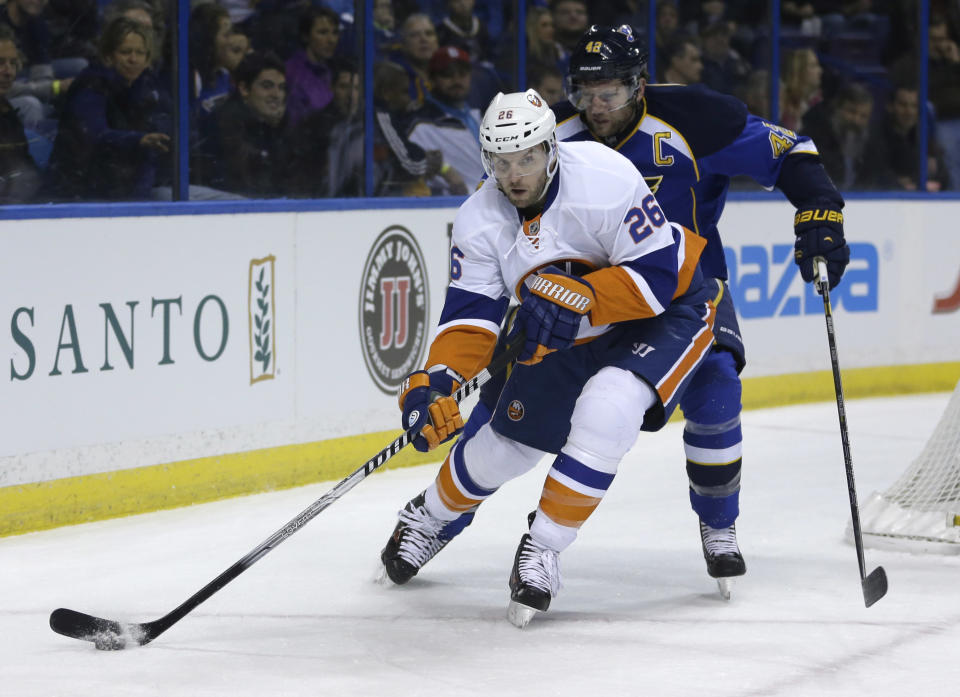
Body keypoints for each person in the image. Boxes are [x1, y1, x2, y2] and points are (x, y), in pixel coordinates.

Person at [460, 24, 850, 598]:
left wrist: (819, 207)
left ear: (638, 85)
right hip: (577, 299)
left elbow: (789, 149)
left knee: (716, 385)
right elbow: (497, 206)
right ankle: (437, 518)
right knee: (504, 403)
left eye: (610, 93)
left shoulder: (695, 118)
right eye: (585, 92)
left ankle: (719, 524)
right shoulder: (550, 131)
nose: (595, 107)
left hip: (683, 289)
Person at [379, 87, 717, 626]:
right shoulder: (479, 220)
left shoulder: (605, 179)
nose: (515, 175)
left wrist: (584, 296)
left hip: (661, 312)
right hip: (568, 327)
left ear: (551, 149)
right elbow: (470, 318)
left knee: (608, 409)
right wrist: (436, 383)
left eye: (528, 158)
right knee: (505, 446)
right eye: (502, 162)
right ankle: (429, 517)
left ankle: (544, 548)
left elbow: (656, 276)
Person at [44, 17, 170, 201]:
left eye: (140, 53)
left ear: (148, 58)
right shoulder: (91, 86)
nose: (133, 59)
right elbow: (96, 137)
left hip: (129, 191)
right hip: (80, 194)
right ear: (108, 56)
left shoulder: (147, 87)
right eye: (125, 52)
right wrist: (139, 140)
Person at [198, 51, 292, 197]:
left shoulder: (274, 120)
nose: (277, 95)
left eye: (281, 87)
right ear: (244, 89)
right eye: (267, 86)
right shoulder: (225, 120)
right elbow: (246, 173)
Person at [407, 45, 478, 194]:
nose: (456, 80)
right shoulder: (420, 125)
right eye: (447, 74)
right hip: (454, 207)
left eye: (462, 73)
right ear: (431, 79)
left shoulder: (481, 116)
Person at [859, 82, 950, 192]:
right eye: (903, 105)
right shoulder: (876, 135)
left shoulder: (923, 136)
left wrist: (922, 183)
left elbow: (942, 176)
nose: (909, 111)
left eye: (914, 106)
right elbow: (876, 174)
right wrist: (900, 184)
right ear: (890, 106)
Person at [799, 81, 873, 190]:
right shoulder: (815, 135)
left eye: (863, 116)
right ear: (837, 108)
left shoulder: (871, 143)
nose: (856, 120)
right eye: (851, 112)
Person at [0, 26, 39, 202]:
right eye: (0, 63)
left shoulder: (7, 111)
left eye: (13, 63)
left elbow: (24, 167)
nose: (9, 72)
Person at [284, 6, 341, 126]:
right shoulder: (291, 72)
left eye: (335, 32)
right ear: (305, 36)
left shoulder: (333, 71)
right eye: (323, 32)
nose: (331, 40)